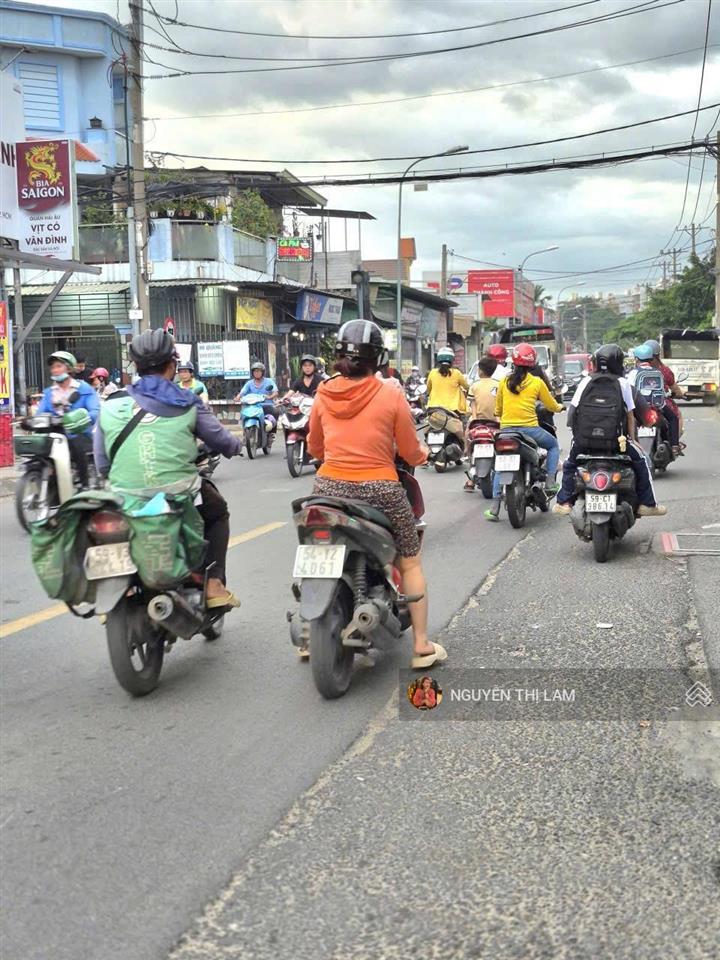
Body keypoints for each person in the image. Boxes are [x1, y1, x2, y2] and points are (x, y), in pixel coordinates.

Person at [307, 319, 447, 670]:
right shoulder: (390, 393)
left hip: (327, 490)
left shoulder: (323, 392)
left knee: (315, 552)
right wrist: (423, 456)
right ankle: (421, 645)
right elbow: (411, 450)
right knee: (410, 560)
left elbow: (315, 446)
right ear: (379, 357)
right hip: (381, 490)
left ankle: (311, 635)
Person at [93, 329, 243, 608]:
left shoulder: (111, 404)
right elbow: (221, 439)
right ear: (172, 365)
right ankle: (212, 584)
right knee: (217, 512)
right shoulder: (187, 401)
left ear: (136, 366)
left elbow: (102, 462)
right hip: (177, 495)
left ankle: (120, 586)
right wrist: (235, 445)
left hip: (123, 496)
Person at [553, 344, 666, 517]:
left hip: (585, 443)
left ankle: (564, 502)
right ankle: (647, 504)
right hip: (616, 443)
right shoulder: (623, 383)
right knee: (642, 462)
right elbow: (629, 414)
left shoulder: (586, 381)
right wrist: (632, 439)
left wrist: (578, 435)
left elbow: (572, 414)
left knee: (569, 465)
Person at [484, 342, 564, 522]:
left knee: (500, 465)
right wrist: (560, 408)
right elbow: (551, 404)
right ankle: (550, 482)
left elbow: (498, 408)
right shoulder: (536, 382)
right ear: (532, 363)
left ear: (513, 361)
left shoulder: (505, 381)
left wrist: (500, 414)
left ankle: (495, 507)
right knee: (553, 446)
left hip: (506, 432)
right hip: (530, 430)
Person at [37, 351, 99, 487]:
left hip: (78, 432)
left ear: (69, 368)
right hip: (56, 432)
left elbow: (95, 410)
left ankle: (85, 485)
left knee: (76, 444)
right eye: (53, 367)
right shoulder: (49, 392)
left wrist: (83, 418)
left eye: (59, 366)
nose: (55, 370)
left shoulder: (84, 389)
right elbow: (41, 412)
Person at [463, 356, 500, 491]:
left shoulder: (474, 385)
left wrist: (474, 419)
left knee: (467, 434)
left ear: (481, 371)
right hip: (496, 423)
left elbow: (472, 405)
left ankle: (466, 451)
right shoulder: (499, 384)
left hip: (478, 423)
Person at [426, 347, 468, 414]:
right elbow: (466, 387)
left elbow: (428, 389)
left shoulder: (432, 373)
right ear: (452, 360)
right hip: (453, 409)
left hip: (434, 408)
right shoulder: (457, 373)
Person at [235, 362, 279, 426]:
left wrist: (269, 397)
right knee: (243, 412)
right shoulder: (249, 383)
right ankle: (245, 429)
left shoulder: (269, 381)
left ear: (262, 372)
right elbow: (242, 392)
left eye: (258, 371)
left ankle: (271, 431)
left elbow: (275, 392)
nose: (256, 373)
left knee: (275, 411)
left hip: (266, 405)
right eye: (255, 371)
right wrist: (237, 397)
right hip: (252, 406)